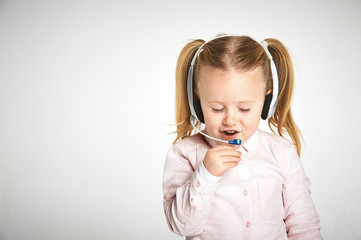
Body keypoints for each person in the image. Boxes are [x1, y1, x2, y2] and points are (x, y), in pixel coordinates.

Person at [162, 35, 322, 240]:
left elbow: (304, 227)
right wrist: (206, 174)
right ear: (197, 103)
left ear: (267, 103)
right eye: (217, 109)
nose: (230, 120)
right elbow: (183, 227)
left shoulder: (281, 152)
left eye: (244, 108)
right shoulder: (184, 154)